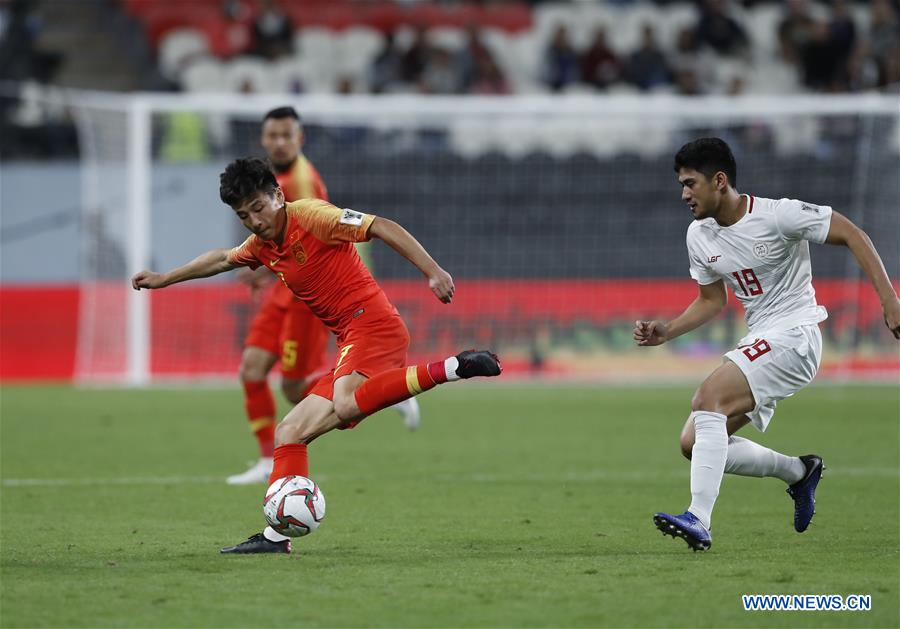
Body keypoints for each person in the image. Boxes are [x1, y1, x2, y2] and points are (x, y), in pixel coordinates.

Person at [132, 157, 502, 554]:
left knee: (344, 403)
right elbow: (223, 258)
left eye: (258, 208)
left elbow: (382, 226)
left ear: (278, 194)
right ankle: (275, 538)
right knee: (289, 432)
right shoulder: (263, 245)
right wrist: (164, 278)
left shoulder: (312, 216)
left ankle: (453, 367)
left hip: (373, 325)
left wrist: (433, 271)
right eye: (244, 215)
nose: (254, 221)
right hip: (351, 339)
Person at [634, 138, 900, 552]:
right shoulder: (699, 235)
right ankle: (799, 472)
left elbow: (853, 234)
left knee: (707, 399)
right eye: (681, 184)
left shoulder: (779, 215)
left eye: (690, 183)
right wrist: (666, 331)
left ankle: (699, 519)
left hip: (796, 335)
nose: (684, 194)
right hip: (761, 339)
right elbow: (711, 300)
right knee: (694, 442)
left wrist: (889, 300)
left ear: (719, 181)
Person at [228, 107, 422, 486]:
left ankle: (379, 388)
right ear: (263, 139)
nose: (279, 142)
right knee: (251, 369)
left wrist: (265, 266)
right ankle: (268, 459)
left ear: (300, 140)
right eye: (273, 135)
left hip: (309, 295)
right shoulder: (265, 181)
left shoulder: (301, 183)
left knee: (292, 385)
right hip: (282, 288)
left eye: (287, 135)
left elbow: (308, 237)